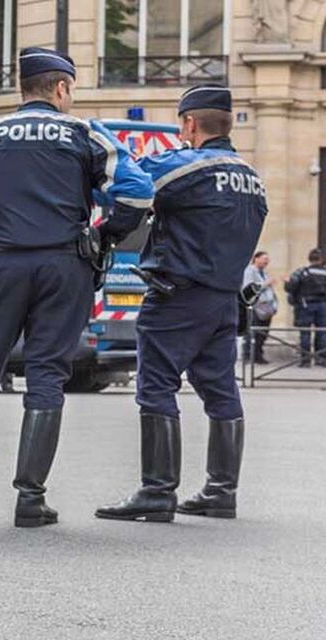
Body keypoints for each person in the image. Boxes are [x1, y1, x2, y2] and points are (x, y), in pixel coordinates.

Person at [0, 47, 154, 527]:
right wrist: (104, 235)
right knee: (47, 376)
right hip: (64, 266)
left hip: (0, 264)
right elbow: (136, 192)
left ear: (22, 89)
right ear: (62, 88)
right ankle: (30, 500)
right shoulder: (86, 134)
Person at [96, 85, 267, 523]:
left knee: (156, 386)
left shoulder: (186, 166)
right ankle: (221, 492)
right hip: (224, 300)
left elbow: (130, 181)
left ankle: (157, 492)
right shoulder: (251, 176)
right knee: (220, 390)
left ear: (190, 123)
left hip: (177, 296)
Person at [285, 247, 326, 367]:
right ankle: (321, 359)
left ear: (309, 259)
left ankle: (306, 360)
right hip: (323, 305)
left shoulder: (302, 272)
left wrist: (287, 283)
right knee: (323, 332)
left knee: (305, 333)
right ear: (321, 259)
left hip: (305, 305)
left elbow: (290, 287)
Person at [243, 251, 277, 364]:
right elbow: (248, 288)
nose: (266, 261)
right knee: (252, 332)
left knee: (263, 333)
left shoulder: (264, 273)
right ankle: (249, 356)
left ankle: (258, 355)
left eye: (267, 259)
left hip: (267, 308)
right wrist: (266, 284)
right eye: (264, 258)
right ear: (256, 259)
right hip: (256, 307)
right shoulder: (250, 271)